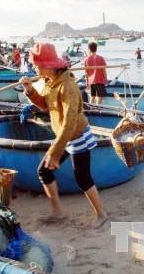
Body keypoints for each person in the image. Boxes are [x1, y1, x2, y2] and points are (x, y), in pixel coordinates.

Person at [19, 43, 108, 228]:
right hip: (64, 136)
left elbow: (70, 121)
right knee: (44, 171)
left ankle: (101, 214)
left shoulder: (68, 86)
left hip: (77, 134)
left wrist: (55, 151)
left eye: (37, 65)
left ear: (48, 64)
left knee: (82, 177)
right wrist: (30, 90)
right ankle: (58, 212)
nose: (34, 68)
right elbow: (45, 105)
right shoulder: (49, 82)